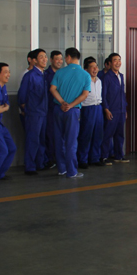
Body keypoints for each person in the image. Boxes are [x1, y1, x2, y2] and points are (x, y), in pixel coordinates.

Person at [49, 47, 90, 178]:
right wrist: (71, 105)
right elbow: (85, 94)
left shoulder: (60, 72)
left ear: (68, 57)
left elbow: (52, 89)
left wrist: (62, 102)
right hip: (73, 111)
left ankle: (62, 169)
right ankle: (72, 171)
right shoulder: (85, 75)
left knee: (59, 140)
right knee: (71, 142)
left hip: (58, 109)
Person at [18, 49, 49, 175]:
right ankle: (30, 166)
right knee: (33, 140)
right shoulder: (30, 76)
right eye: (41, 57)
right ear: (35, 60)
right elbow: (22, 96)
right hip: (34, 113)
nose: (44, 59)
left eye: (45, 56)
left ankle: (39, 163)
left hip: (43, 112)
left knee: (42, 140)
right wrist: (27, 109)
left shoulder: (44, 75)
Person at [78, 57, 105, 169]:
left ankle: (95, 158)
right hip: (87, 108)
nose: (95, 69)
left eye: (96, 67)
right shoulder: (84, 80)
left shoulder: (99, 81)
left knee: (98, 134)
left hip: (98, 108)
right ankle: (83, 159)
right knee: (86, 134)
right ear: (86, 69)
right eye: (92, 67)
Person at [101, 52, 128, 162]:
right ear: (110, 63)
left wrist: (125, 109)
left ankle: (119, 155)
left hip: (121, 110)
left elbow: (122, 94)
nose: (118, 63)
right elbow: (103, 95)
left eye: (119, 60)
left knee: (120, 134)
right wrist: (106, 109)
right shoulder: (107, 77)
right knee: (108, 134)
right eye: (115, 60)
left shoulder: (121, 76)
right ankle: (104, 156)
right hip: (112, 110)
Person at [44, 50, 64, 170]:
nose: (59, 61)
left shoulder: (63, 73)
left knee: (61, 136)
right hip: (49, 109)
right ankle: (49, 159)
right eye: (57, 59)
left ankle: (59, 158)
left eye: (61, 59)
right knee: (50, 135)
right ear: (51, 60)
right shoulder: (46, 75)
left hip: (61, 109)